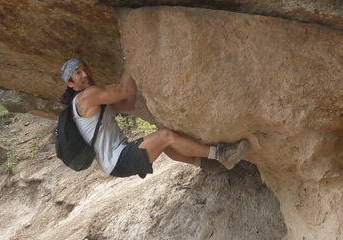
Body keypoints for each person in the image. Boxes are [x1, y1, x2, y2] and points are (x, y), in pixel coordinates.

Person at [60, 58, 249, 179]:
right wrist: (130, 57)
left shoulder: (91, 99)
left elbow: (127, 104)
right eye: (78, 73)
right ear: (70, 83)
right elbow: (125, 91)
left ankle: (207, 164)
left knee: (164, 144)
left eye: (85, 68)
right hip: (118, 159)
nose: (85, 74)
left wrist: (130, 82)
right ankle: (222, 154)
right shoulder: (87, 96)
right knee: (165, 136)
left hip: (116, 163)